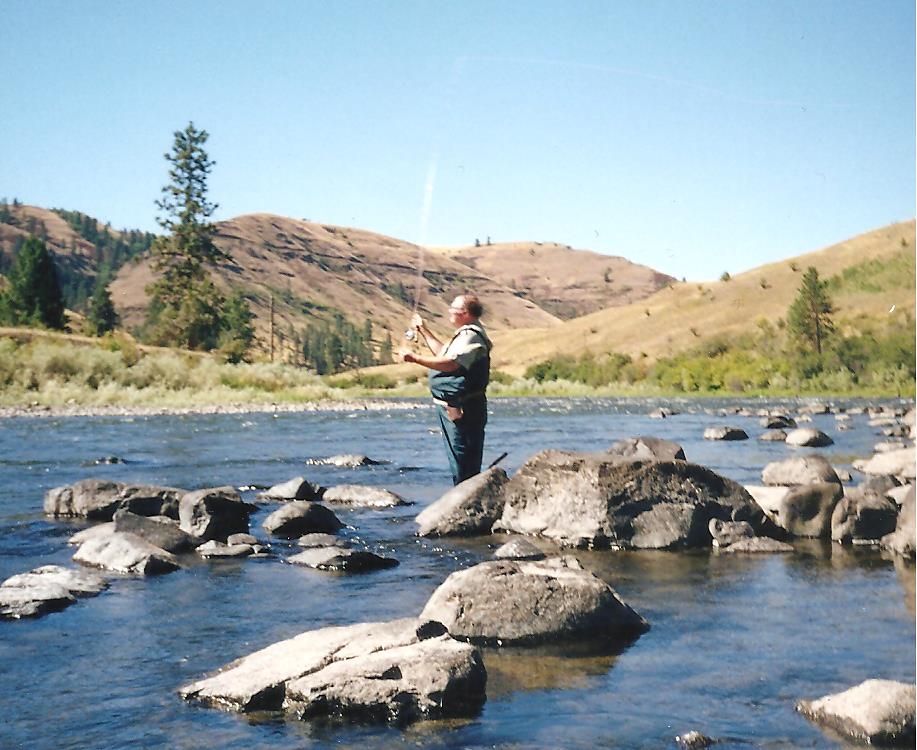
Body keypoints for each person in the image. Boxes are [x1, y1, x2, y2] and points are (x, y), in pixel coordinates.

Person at [402, 293, 492, 485]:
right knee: (460, 459)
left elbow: (451, 363)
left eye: (453, 308)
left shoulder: (471, 335)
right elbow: (444, 352)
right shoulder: (466, 334)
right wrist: (423, 331)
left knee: (463, 461)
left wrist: (414, 359)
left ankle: (466, 502)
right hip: (456, 408)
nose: (449, 311)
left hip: (464, 410)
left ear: (465, 313)